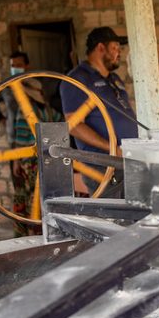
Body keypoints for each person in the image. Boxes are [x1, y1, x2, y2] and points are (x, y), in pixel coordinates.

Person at [60, 26, 138, 194]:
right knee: (113, 217)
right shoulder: (77, 79)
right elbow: (73, 125)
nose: (119, 53)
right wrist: (112, 148)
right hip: (104, 165)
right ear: (101, 48)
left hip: (128, 159)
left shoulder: (114, 79)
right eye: (115, 48)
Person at [11, 78, 62, 237]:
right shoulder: (48, 111)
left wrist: (16, 162)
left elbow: (21, 137)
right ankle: (49, 230)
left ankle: (32, 232)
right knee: (46, 195)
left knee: (29, 196)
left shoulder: (24, 111)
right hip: (50, 160)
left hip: (31, 160)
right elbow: (61, 123)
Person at [0, 51, 29, 145]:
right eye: (13, 66)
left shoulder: (35, 85)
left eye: (19, 65)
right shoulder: (6, 88)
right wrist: (0, 118)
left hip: (33, 135)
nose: (15, 68)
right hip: (14, 136)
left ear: (27, 66)